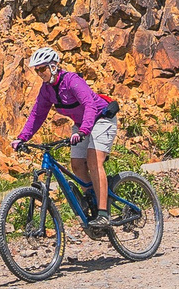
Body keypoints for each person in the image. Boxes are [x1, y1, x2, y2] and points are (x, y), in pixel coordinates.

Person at [11, 46, 121, 226]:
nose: (39, 73)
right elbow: (37, 114)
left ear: (53, 66)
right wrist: (22, 138)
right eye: (37, 70)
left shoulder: (72, 81)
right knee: (77, 165)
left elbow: (90, 106)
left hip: (102, 119)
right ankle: (93, 197)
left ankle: (103, 214)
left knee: (94, 161)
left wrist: (84, 131)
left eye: (42, 68)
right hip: (81, 125)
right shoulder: (46, 90)